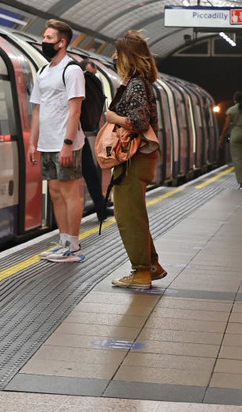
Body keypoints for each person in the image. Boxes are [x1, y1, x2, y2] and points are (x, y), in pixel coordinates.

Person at [106, 31, 164, 289]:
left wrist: (113, 118)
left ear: (127, 56)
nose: (114, 57)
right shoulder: (139, 83)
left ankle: (141, 272)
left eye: (118, 52)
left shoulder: (137, 84)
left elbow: (139, 122)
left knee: (128, 216)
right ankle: (152, 265)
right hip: (139, 158)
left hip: (134, 158)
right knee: (135, 214)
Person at [28, 19, 86, 263]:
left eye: (49, 38)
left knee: (70, 192)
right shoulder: (43, 71)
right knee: (54, 191)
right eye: (44, 37)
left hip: (66, 142)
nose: (44, 42)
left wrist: (68, 143)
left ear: (62, 43)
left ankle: (73, 245)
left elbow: (75, 111)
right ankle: (63, 241)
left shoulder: (71, 70)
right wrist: (33, 142)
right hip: (47, 142)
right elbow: (38, 110)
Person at [79, 59, 112, 222]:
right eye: (89, 74)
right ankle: (100, 207)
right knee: (88, 172)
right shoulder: (81, 85)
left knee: (91, 172)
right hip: (75, 136)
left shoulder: (91, 88)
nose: (92, 78)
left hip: (81, 135)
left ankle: (100, 206)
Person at [219, 91, 242, 189]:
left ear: (234, 99)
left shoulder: (231, 110)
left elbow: (226, 126)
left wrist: (221, 138)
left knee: (237, 159)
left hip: (236, 134)